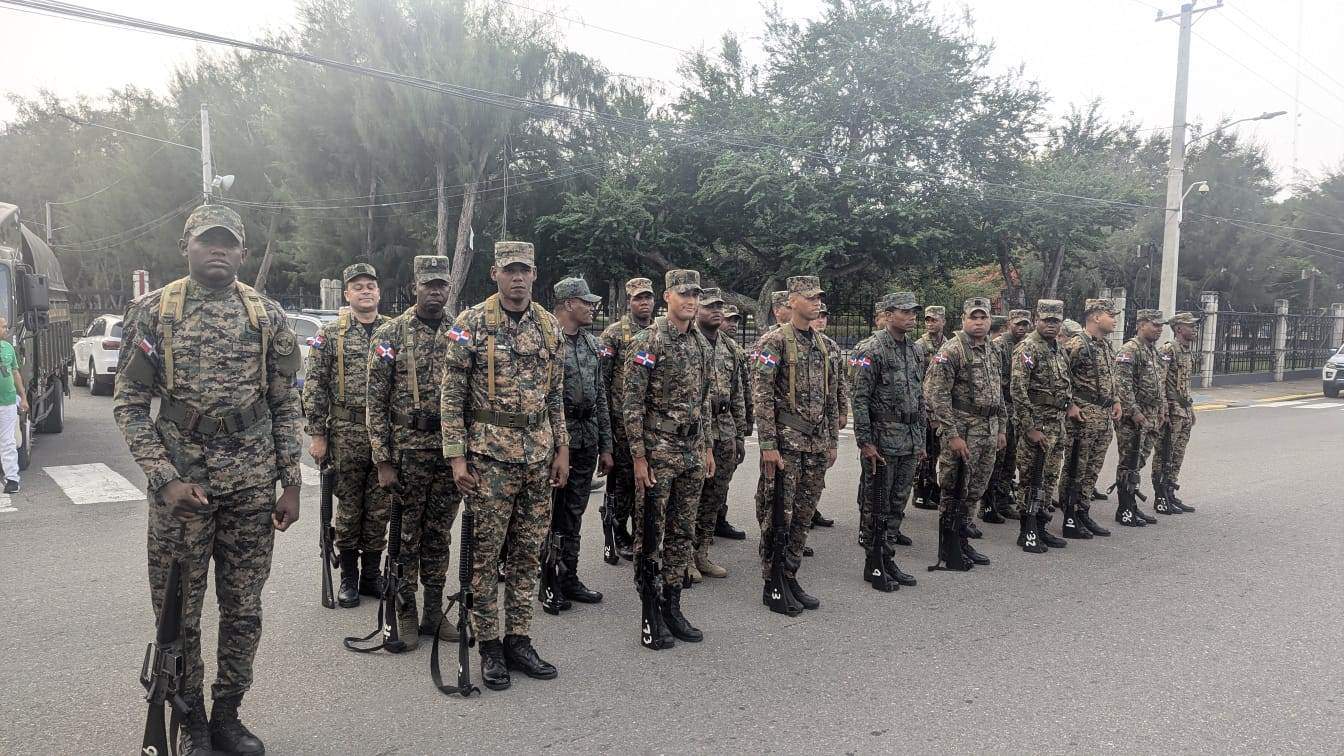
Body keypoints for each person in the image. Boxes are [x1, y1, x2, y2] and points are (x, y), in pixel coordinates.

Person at [113, 204, 302, 755]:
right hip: (183, 494)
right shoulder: (154, 312)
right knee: (179, 611)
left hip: (250, 485)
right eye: (206, 241)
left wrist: (290, 481)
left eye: (227, 243)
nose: (216, 250)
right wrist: (164, 478)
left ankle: (228, 716)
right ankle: (190, 719)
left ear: (242, 253)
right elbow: (128, 405)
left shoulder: (266, 315)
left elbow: (284, 404)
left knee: (243, 607)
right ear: (186, 247)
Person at [441, 241, 569, 688]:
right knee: (485, 556)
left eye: (526, 271)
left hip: (538, 456)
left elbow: (555, 396)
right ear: (494, 273)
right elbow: (452, 396)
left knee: (527, 555)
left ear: (535, 275)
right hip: (490, 459)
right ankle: (490, 644)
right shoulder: (469, 324)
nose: (518, 278)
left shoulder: (549, 326)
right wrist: (456, 457)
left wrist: (562, 449)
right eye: (510, 270)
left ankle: (519, 638)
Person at [367, 255, 462, 651]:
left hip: (448, 451)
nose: (436, 291)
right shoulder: (390, 334)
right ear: (414, 288)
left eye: (442, 284)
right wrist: (383, 459)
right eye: (429, 285)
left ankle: (434, 611)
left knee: (439, 535)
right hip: (407, 451)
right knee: (406, 537)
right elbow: (375, 401)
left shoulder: (461, 332)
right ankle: (405, 610)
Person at [622, 269, 715, 645]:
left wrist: (707, 447)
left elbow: (704, 402)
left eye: (695, 294)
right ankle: (650, 609)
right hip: (658, 450)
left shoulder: (701, 345)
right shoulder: (648, 341)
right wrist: (639, 458)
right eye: (683, 294)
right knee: (651, 532)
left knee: (682, 531)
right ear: (667, 298)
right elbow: (631, 405)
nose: (691, 301)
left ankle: (673, 605)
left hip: (692, 450)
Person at [302, 263, 391, 607]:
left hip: (384, 434)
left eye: (371, 285)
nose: (365, 291)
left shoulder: (392, 332)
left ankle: (371, 576)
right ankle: (349, 578)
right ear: (347, 295)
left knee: (380, 509)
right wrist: (317, 434)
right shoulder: (331, 334)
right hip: (346, 433)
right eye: (358, 287)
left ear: (378, 292)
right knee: (350, 510)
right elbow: (314, 387)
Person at [752, 275, 840, 613]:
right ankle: (772, 581)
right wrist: (768, 446)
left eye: (819, 297)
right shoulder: (772, 343)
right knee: (778, 515)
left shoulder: (825, 345)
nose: (816, 302)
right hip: (786, 444)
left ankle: (789, 575)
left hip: (816, 444)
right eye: (809, 297)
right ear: (791, 301)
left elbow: (831, 397)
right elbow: (761, 398)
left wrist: (832, 440)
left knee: (803, 515)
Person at [922, 298, 1005, 570]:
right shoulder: (952, 351)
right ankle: (949, 547)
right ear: (963, 319)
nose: (979, 322)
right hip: (963, 431)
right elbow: (936, 395)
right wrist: (951, 434)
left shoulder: (992, 350)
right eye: (974, 317)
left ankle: (963, 539)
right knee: (954, 489)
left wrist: (1001, 427)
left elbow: (998, 392)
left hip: (988, 430)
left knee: (975, 489)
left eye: (983, 318)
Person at [850, 292, 924, 589]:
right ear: (888, 313)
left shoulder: (915, 350)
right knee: (876, 504)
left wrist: (920, 442)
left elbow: (920, 399)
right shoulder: (871, 349)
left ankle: (888, 556)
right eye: (904, 312)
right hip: (881, 442)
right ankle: (874, 562)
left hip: (907, 440)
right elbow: (859, 399)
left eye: (913, 312)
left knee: (897, 503)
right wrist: (865, 442)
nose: (910, 317)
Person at [546, 276, 613, 605]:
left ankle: (568, 576)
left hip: (586, 436)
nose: (591, 307)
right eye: (586, 302)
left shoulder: (590, 343)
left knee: (573, 513)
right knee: (548, 513)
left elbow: (601, 396)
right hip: (556, 439)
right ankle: (547, 579)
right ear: (569, 303)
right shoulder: (547, 339)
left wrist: (606, 445)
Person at [1010, 299, 1078, 553]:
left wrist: (1069, 405)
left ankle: (1040, 526)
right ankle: (1026, 530)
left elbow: (1064, 384)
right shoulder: (1027, 348)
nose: (1051, 325)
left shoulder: (1057, 349)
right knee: (1030, 478)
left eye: (1055, 321)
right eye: (1046, 320)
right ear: (1037, 320)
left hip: (1056, 424)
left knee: (1049, 478)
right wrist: (1029, 427)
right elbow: (1018, 390)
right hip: (1036, 424)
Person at [691, 288, 747, 582]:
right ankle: (683, 555)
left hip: (724, 428)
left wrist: (739, 434)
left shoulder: (729, 348)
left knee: (714, 496)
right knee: (691, 497)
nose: (716, 311)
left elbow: (737, 395)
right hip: (697, 429)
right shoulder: (690, 341)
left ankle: (701, 552)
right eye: (710, 306)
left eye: (719, 307)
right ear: (698, 310)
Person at [599, 278, 655, 560]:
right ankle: (619, 531)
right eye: (637, 298)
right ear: (628, 302)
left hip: (651, 423)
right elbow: (603, 382)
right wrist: (606, 433)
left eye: (647, 297)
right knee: (623, 482)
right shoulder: (614, 334)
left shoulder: (657, 333)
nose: (643, 303)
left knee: (646, 482)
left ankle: (641, 533)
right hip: (621, 421)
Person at [1062, 299, 1122, 537]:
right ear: (1096, 317)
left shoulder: (1106, 346)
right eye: (1111, 314)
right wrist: (1070, 404)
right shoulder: (1077, 344)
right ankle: (1070, 514)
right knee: (1076, 467)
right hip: (1084, 416)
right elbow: (1061, 376)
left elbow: (1111, 378)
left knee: (1092, 469)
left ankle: (1083, 511)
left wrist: (1116, 400)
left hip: (1103, 416)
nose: (1115, 319)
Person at [1112, 309, 1166, 526]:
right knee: (1129, 462)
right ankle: (1124, 509)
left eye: (1161, 326)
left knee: (1139, 461)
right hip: (1133, 418)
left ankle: (1132, 504)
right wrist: (1134, 412)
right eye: (1155, 325)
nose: (1159, 329)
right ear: (1141, 324)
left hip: (1151, 415)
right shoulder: (1130, 349)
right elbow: (1122, 384)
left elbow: (1158, 382)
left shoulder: (1152, 351)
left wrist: (1162, 408)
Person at [981, 309, 1031, 523]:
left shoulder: (1026, 345)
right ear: (1010, 322)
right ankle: (988, 503)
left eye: (1025, 324)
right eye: (1018, 324)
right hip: (1003, 405)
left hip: (1017, 408)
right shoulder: (1000, 344)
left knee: (1011, 456)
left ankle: (1002, 498)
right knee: (997, 457)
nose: (1021, 328)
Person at [1157, 312, 1200, 513]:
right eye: (1190, 326)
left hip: (1183, 409)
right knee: (1165, 453)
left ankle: (1170, 491)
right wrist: (1164, 409)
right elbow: (1161, 380)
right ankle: (1160, 496)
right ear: (1179, 329)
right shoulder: (1169, 349)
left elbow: (1185, 384)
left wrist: (1190, 408)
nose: (1194, 329)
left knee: (1177, 453)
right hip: (1172, 410)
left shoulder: (1186, 350)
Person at [715, 305, 750, 540]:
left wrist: (744, 429)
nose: (733, 324)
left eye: (736, 320)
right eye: (729, 320)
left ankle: (718, 520)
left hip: (728, 425)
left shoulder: (734, 349)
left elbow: (742, 391)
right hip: (707, 428)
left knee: (723, 480)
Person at [911, 305, 948, 510]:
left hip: (942, 408)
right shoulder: (919, 346)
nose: (930, 323)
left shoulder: (948, 345)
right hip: (924, 407)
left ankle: (933, 489)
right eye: (927, 320)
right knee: (924, 452)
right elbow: (916, 380)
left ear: (943, 321)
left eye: (934, 320)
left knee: (938, 450)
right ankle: (920, 491)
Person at [0, 317, 29, 493]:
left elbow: (15, 372)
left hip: (8, 403)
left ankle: (12, 479)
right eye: (2, 327)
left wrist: (23, 396)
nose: (5, 329)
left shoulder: (8, 348)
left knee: (8, 441)